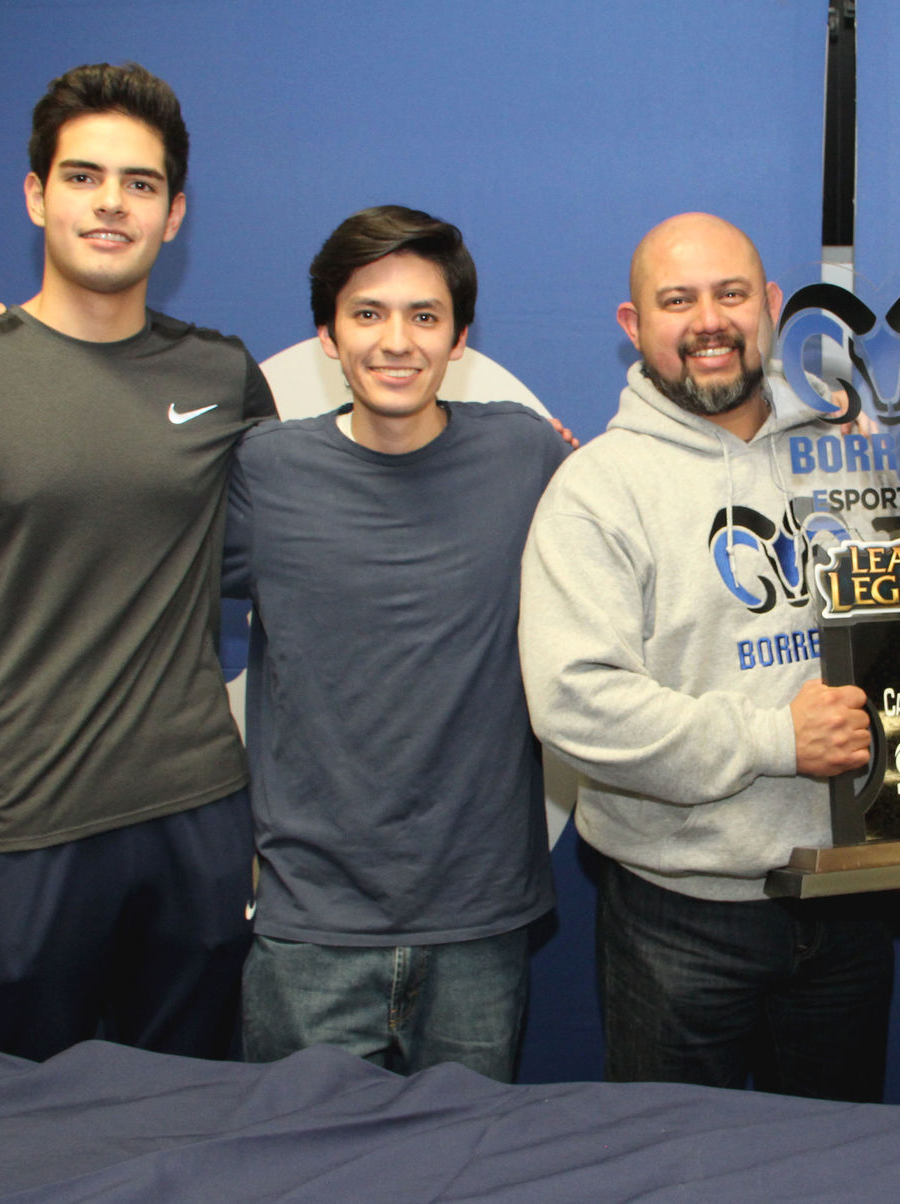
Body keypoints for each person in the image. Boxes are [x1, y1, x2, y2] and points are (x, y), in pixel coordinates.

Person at [518, 212, 900, 1101]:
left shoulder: (853, 456)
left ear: (772, 308)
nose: (708, 320)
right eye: (677, 301)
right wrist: (773, 741)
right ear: (634, 327)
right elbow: (574, 705)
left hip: (846, 900)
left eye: (731, 294)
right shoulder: (595, 492)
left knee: (834, 1168)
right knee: (673, 1170)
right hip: (680, 915)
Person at [0, 62, 275, 1061]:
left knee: (188, 1129)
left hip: (196, 822)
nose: (111, 202)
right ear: (36, 196)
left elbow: (320, 530)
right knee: (9, 1140)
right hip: (15, 838)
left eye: (140, 183)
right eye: (82, 176)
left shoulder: (224, 376)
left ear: (175, 212)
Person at [225, 206, 567, 1080]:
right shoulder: (265, 471)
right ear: (327, 338)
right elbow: (120, 517)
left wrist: (815, 444)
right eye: (367, 314)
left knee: (462, 1171)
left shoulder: (525, 455)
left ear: (459, 339)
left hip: (479, 924)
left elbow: (652, 527)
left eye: (424, 316)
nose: (395, 342)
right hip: (311, 926)